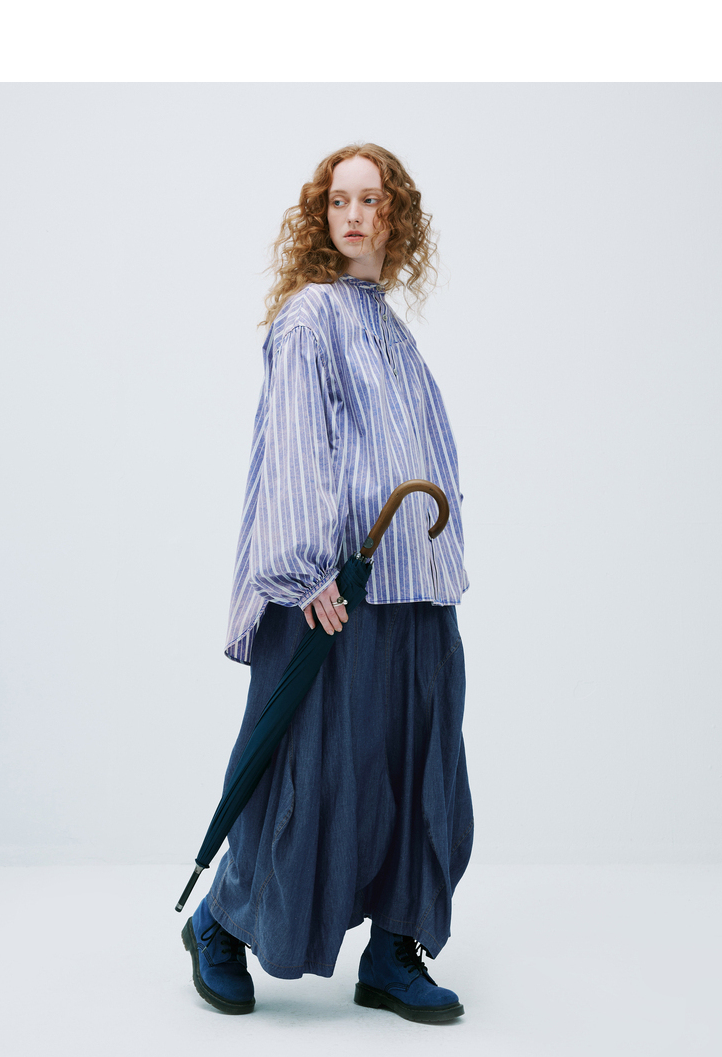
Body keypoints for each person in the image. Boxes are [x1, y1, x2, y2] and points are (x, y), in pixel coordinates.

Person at [181, 143, 473, 1024]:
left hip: (414, 588)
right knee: (308, 776)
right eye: (339, 200)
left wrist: (440, 566)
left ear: (396, 217)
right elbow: (295, 447)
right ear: (322, 216)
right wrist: (306, 570)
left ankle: (392, 952)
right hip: (335, 593)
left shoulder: (393, 332)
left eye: (371, 200)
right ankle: (220, 923)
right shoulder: (309, 318)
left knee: (418, 777)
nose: (354, 215)